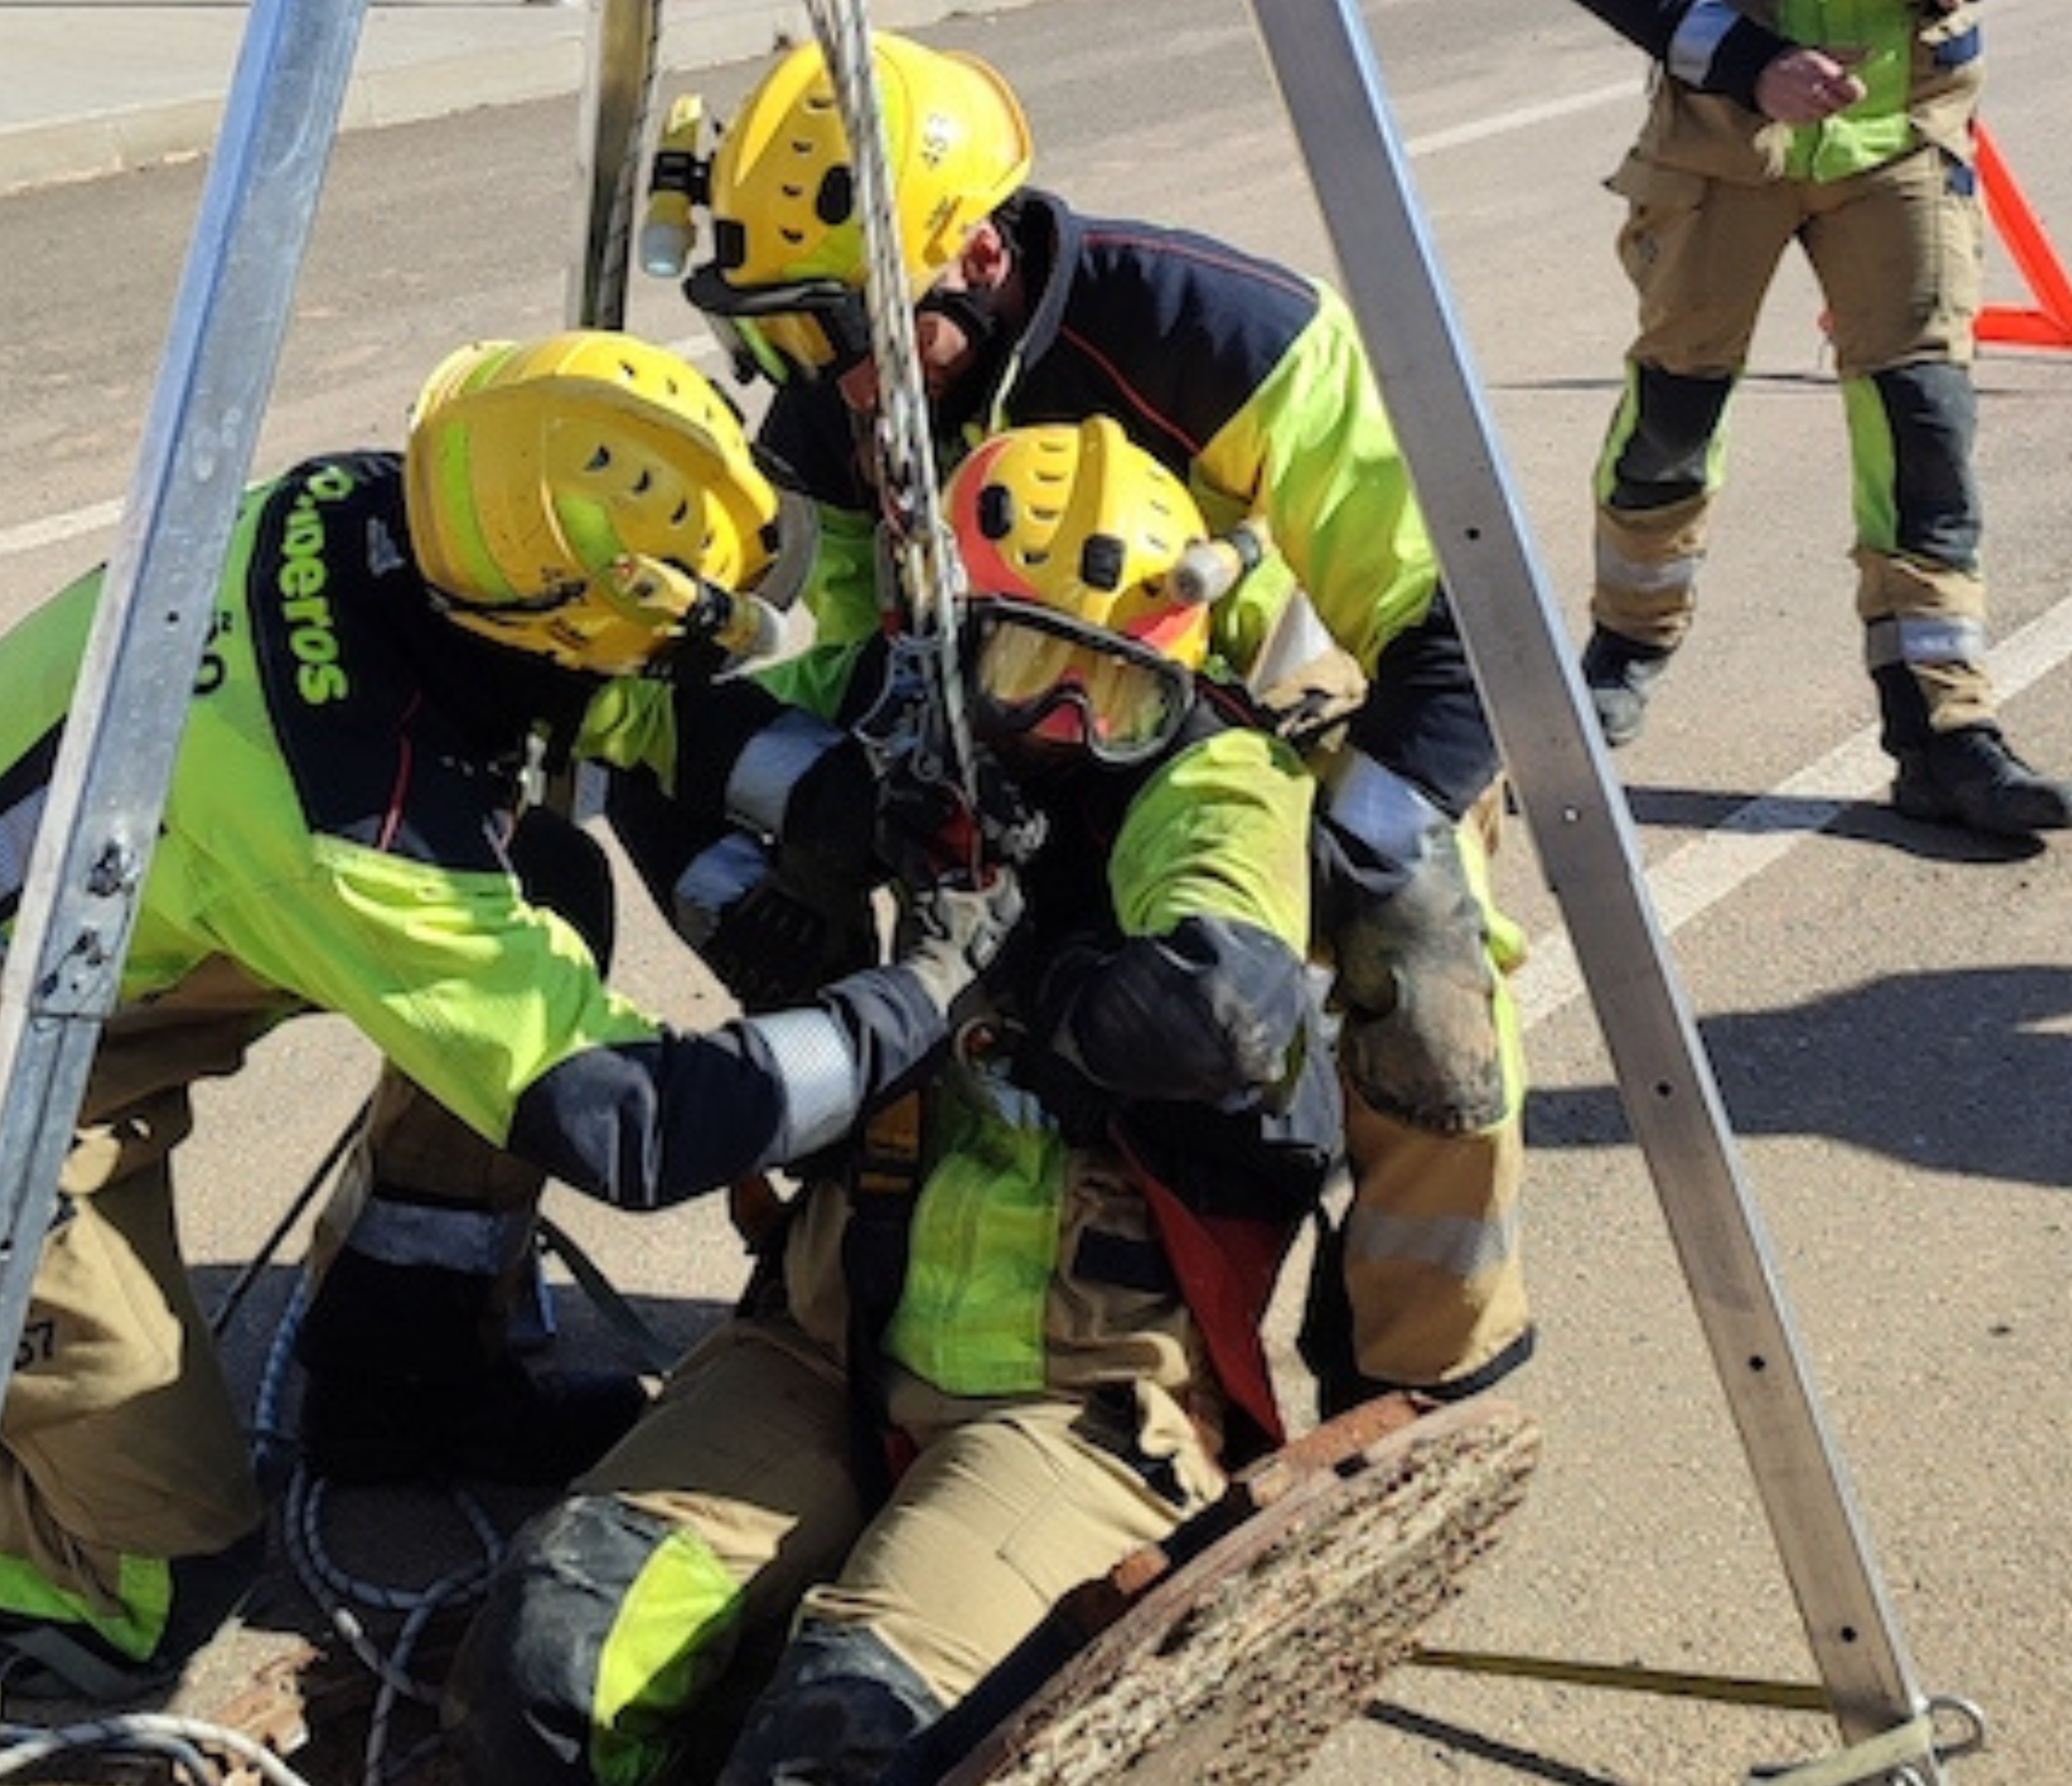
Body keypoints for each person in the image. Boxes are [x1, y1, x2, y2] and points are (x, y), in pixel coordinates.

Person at [0, 330, 1021, 1700]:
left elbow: (618, 692)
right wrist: (912, 997)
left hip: (68, 889)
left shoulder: (412, 511)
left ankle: (395, 1374)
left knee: (535, 886)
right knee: (140, 1591)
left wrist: (851, 795)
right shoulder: (348, 817)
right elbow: (625, 1123)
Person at [447, 419, 1337, 1786]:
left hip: (1074, 1401)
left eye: (1116, 693)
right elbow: (646, 710)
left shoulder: (1210, 779)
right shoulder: (891, 706)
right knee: (543, 1659)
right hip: (821, 1331)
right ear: (944, 647)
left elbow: (1222, 998)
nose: (1067, 730)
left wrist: (1003, 985)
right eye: (1023, 673)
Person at [605, 29, 1534, 1413]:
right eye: (790, 331)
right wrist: (806, 872)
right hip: (1004, 708)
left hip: (1250, 722)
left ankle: (1415, 1355)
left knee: (1421, 942)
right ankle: (850, 1248)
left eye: (846, 327)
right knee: (790, 820)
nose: (832, 380)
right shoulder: (846, 404)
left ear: (978, 259)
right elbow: (872, 636)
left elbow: (1451, 614)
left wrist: (1350, 830)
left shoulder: (1212, 334)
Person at [1567, 0, 2072, 837]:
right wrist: (1748, 62)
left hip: (1900, 129)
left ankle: (1943, 730)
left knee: (1924, 426)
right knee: (1674, 418)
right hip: (1722, 140)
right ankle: (1626, 645)